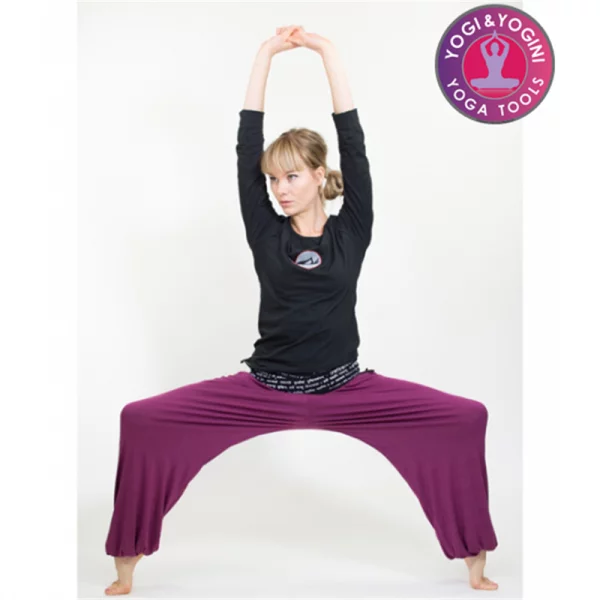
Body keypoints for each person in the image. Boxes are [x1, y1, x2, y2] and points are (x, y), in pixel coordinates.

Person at [103, 25, 499, 596]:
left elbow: (353, 142)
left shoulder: (351, 230)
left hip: (347, 389)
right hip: (264, 389)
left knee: (464, 417)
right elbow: (246, 144)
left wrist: (327, 53)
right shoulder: (266, 230)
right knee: (141, 419)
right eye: (273, 179)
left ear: (318, 175)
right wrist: (264, 55)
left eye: (291, 176)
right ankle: (126, 563)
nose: (280, 189)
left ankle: (474, 559)